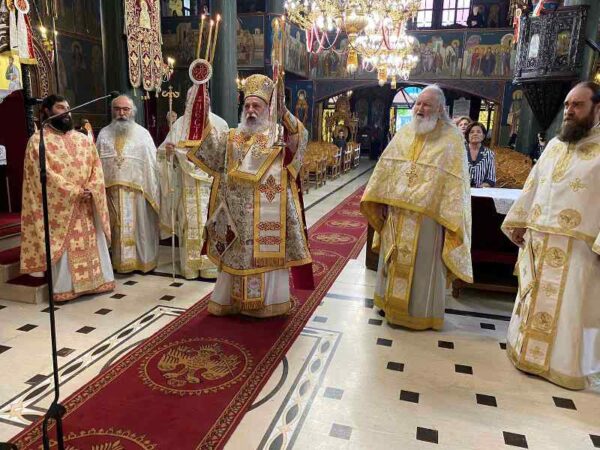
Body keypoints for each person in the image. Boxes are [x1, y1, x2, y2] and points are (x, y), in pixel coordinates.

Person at [501, 81, 600, 390]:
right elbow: (534, 184)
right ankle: (525, 354)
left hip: (579, 250)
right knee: (532, 297)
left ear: (597, 108)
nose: (569, 111)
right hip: (538, 242)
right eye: (567, 105)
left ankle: (566, 368)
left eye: (577, 105)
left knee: (574, 308)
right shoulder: (556, 145)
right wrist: (520, 220)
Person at [188, 74, 312, 317]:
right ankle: (231, 302)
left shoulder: (278, 135)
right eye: (247, 106)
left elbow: (301, 138)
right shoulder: (232, 136)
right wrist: (201, 110)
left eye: (257, 105)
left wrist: (284, 112)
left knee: (265, 257)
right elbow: (210, 150)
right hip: (235, 215)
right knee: (235, 254)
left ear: (267, 109)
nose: (251, 110)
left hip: (268, 213)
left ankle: (268, 303)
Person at [360, 85, 472, 330]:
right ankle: (388, 304)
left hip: (429, 218)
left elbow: (456, 184)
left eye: (427, 104)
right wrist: (381, 200)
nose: (420, 108)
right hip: (396, 213)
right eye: (418, 103)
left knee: (422, 267)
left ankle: (420, 314)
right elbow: (387, 168)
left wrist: (446, 214)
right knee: (392, 259)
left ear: (440, 109)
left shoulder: (452, 139)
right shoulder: (404, 133)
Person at [20, 95, 114, 302]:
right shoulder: (38, 141)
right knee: (66, 246)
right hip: (61, 208)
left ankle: (99, 282)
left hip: (87, 204)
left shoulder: (82, 139)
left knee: (92, 240)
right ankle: (66, 289)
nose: (66, 112)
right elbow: (43, 174)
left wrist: (92, 187)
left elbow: (96, 167)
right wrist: (74, 191)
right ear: (47, 111)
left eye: (68, 108)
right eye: (60, 108)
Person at [157, 90, 228, 279]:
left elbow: (226, 157)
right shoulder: (179, 125)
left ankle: (211, 266)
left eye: (204, 98)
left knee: (211, 223)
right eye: (194, 99)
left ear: (209, 100)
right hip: (186, 185)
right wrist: (169, 154)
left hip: (212, 186)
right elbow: (162, 155)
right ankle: (190, 268)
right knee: (189, 224)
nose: (199, 103)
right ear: (188, 102)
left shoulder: (220, 124)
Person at [97, 95, 160, 273]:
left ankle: (142, 262)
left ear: (133, 111)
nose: (121, 113)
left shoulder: (143, 134)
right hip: (112, 192)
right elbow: (96, 163)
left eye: (126, 109)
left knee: (140, 228)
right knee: (116, 228)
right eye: (117, 109)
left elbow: (152, 164)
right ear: (112, 111)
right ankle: (119, 263)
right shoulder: (103, 134)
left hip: (137, 191)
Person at [465, 121, 496, 187]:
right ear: (467, 136)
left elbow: (491, 179)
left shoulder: (489, 154)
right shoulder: (460, 152)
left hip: (481, 191)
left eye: (478, 132)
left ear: (483, 136)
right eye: (472, 132)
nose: (475, 134)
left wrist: (479, 188)